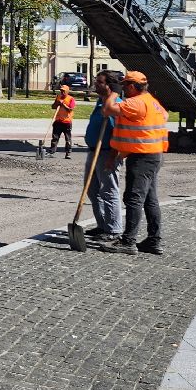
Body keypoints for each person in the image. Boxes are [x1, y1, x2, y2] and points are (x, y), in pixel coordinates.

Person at [97, 70, 169, 257]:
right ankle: (154, 241)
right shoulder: (152, 101)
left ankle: (129, 241)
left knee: (134, 198)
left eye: (124, 86)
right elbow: (165, 116)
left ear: (131, 86)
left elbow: (107, 110)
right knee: (150, 199)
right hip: (153, 154)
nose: (123, 90)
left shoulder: (136, 103)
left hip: (143, 157)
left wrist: (112, 93)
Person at [83, 71, 124, 242]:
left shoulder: (115, 106)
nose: (95, 84)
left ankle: (114, 229)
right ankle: (102, 225)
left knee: (109, 191)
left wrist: (112, 156)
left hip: (107, 153)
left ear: (109, 85)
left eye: (99, 82)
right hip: (93, 152)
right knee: (92, 191)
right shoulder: (101, 102)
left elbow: (119, 134)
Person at [50, 84, 76, 158]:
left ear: (67, 91)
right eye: (61, 90)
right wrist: (57, 103)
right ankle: (52, 151)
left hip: (67, 122)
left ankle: (68, 153)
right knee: (55, 137)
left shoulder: (71, 99)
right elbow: (53, 106)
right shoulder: (58, 97)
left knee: (68, 138)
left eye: (63, 91)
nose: (62, 92)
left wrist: (63, 104)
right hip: (58, 121)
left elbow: (70, 109)